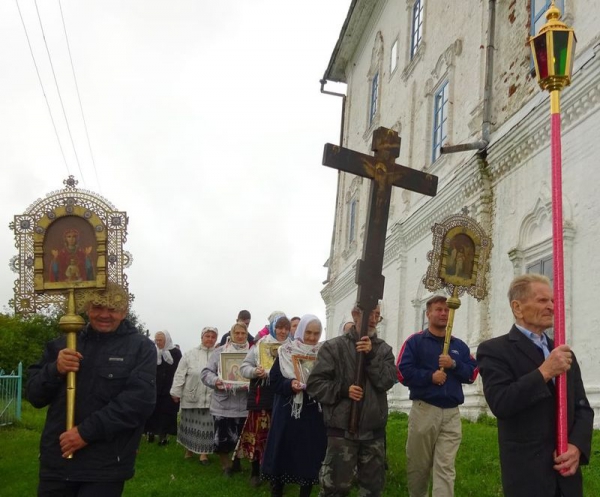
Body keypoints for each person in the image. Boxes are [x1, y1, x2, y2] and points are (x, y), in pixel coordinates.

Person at [26, 283, 156, 497]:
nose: (105, 315)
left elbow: (138, 402)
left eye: (112, 309)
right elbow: (34, 395)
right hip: (57, 462)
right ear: (87, 308)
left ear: (124, 311)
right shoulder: (64, 344)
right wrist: (55, 369)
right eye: (97, 307)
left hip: (104, 465)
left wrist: (85, 433)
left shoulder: (140, 347)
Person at [477, 274, 594, 497]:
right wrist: (544, 372)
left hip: (567, 473)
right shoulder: (495, 350)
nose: (551, 307)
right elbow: (501, 402)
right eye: (542, 301)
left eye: (552, 301)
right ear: (518, 307)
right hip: (528, 475)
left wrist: (576, 447)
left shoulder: (563, 352)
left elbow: (582, 406)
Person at [306, 303, 397, 497]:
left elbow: (386, 381)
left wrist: (371, 355)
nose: (373, 319)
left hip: (373, 432)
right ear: (355, 314)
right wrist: (343, 390)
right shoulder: (333, 347)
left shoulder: (383, 350)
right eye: (369, 314)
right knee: (335, 490)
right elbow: (315, 384)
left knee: (372, 490)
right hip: (342, 431)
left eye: (378, 315)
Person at [397, 295, 478, 497]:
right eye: (439, 309)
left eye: (447, 310)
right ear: (428, 313)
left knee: (446, 467)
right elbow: (402, 371)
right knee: (419, 465)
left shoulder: (458, 346)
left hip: (451, 413)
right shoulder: (416, 342)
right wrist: (429, 377)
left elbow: (472, 373)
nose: (443, 313)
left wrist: (454, 364)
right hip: (425, 409)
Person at [262, 314, 327, 497]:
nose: (312, 337)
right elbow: (274, 381)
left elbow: (328, 379)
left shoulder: (322, 353)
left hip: (312, 412)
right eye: (308, 332)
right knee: (284, 451)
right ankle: (278, 489)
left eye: (316, 333)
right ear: (300, 331)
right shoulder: (286, 351)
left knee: (308, 453)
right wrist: (289, 385)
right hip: (288, 411)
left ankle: (305, 491)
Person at [237, 315, 291, 487]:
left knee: (279, 437)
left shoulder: (292, 347)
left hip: (284, 397)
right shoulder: (260, 345)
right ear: (273, 327)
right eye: (279, 327)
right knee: (258, 437)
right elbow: (243, 368)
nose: (282, 331)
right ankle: (255, 472)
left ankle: (275, 473)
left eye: (286, 328)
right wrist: (255, 371)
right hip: (262, 398)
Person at [201, 322, 250, 477]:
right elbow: (206, 372)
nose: (240, 336)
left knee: (240, 439)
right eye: (237, 333)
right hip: (223, 403)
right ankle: (226, 466)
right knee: (222, 438)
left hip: (244, 404)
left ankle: (237, 463)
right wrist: (216, 381)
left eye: (243, 333)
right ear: (231, 334)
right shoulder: (220, 352)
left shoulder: (253, 353)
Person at [170, 326, 218, 464]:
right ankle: (189, 449)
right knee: (190, 425)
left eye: (213, 337)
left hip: (210, 397)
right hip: (192, 395)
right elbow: (180, 374)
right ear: (201, 337)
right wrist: (175, 392)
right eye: (207, 336)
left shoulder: (218, 355)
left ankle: (203, 454)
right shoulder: (190, 354)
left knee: (207, 426)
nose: (210, 339)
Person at [145, 330, 182, 445]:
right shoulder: (153, 351)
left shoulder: (175, 353)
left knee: (166, 414)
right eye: (156, 340)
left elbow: (179, 370)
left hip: (168, 389)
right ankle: (150, 433)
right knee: (152, 412)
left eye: (161, 340)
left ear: (166, 340)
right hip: (154, 388)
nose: (158, 342)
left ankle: (163, 436)